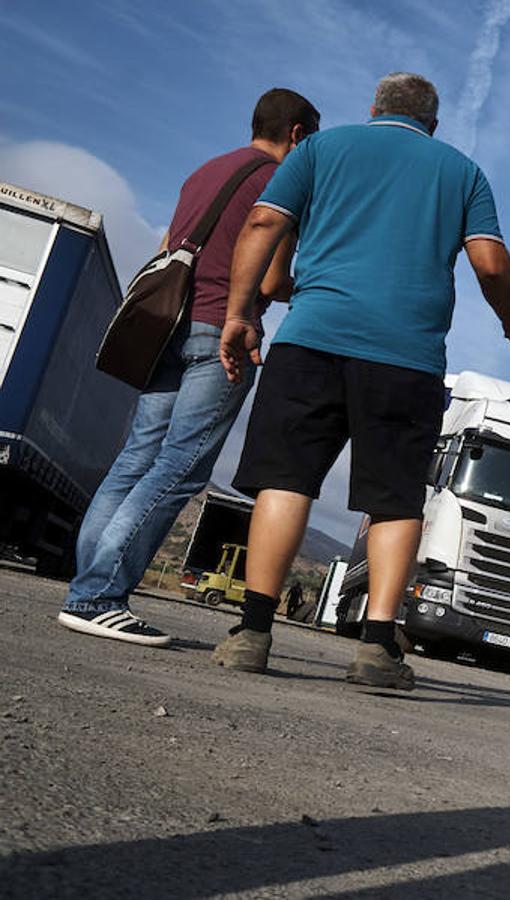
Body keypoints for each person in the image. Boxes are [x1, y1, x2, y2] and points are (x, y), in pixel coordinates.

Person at [213, 72, 510, 689]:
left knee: (286, 480)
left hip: (312, 338)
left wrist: (238, 316)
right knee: (393, 500)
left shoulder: (317, 148)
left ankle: (252, 634)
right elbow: (490, 264)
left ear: (373, 110)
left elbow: (262, 224)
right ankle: (375, 651)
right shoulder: (463, 172)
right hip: (407, 358)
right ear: (433, 124)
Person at [57, 89, 320, 647]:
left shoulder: (205, 171)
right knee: (179, 469)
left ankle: (84, 591)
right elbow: (271, 281)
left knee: (135, 460)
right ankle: (99, 597)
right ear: (297, 135)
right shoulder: (281, 183)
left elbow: (166, 246)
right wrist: (316, 287)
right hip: (220, 329)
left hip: (167, 325)